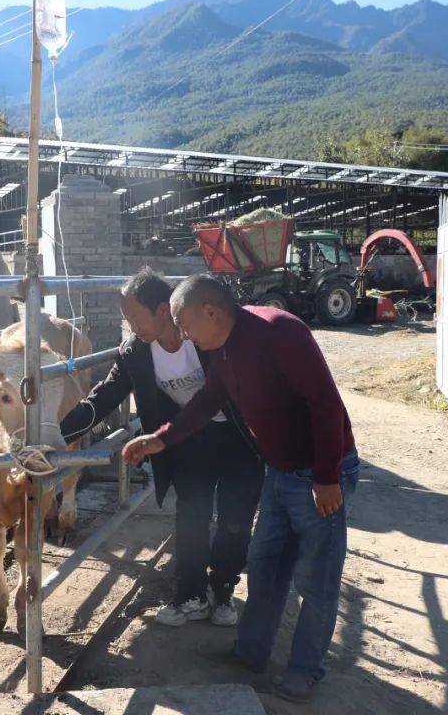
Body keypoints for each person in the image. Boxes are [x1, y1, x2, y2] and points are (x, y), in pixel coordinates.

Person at [123, 273, 359, 703]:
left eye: (187, 324)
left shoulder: (278, 331)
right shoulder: (224, 349)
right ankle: (251, 652)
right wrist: (161, 438)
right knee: (266, 565)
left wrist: (326, 476)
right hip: (279, 472)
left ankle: (304, 670)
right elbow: (204, 405)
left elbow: (325, 402)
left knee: (316, 578)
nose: (185, 335)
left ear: (210, 312)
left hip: (318, 475)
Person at [60, 267, 263, 628]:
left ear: (162, 310)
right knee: (192, 516)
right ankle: (191, 594)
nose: (130, 325)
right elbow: (105, 395)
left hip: (237, 438)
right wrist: (58, 433)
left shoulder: (205, 336)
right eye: (126, 319)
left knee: (235, 520)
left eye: (134, 317)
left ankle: (224, 589)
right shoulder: (136, 352)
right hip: (187, 439)